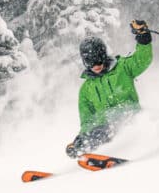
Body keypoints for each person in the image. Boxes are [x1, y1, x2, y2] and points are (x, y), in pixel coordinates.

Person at [65, 20, 153, 157]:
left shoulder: (122, 68)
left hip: (130, 117)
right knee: (96, 134)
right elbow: (87, 119)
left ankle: (134, 147)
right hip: (104, 129)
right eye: (90, 62)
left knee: (108, 129)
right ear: (84, 62)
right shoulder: (86, 89)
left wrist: (143, 39)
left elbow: (142, 60)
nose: (96, 65)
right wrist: (82, 137)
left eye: (99, 59)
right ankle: (84, 151)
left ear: (104, 55)